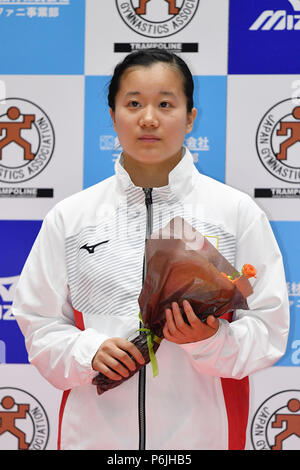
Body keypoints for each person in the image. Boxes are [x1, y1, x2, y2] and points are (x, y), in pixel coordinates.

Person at [12, 49, 289, 450]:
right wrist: (87, 352)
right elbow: (38, 323)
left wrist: (208, 340)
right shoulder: (71, 218)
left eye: (165, 103)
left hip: (202, 438)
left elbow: (268, 329)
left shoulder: (235, 213)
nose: (148, 118)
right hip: (92, 438)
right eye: (134, 103)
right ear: (112, 115)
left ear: (190, 116)